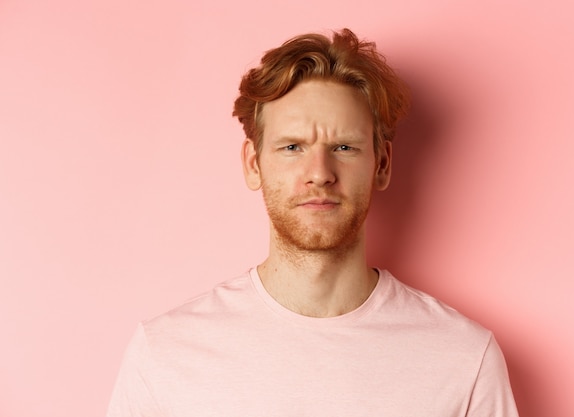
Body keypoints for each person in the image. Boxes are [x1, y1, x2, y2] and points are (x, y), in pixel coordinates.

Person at [106, 28, 519, 416]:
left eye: (344, 146)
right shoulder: (165, 353)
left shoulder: (463, 357)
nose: (319, 172)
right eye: (292, 147)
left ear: (382, 164)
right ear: (254, 164)